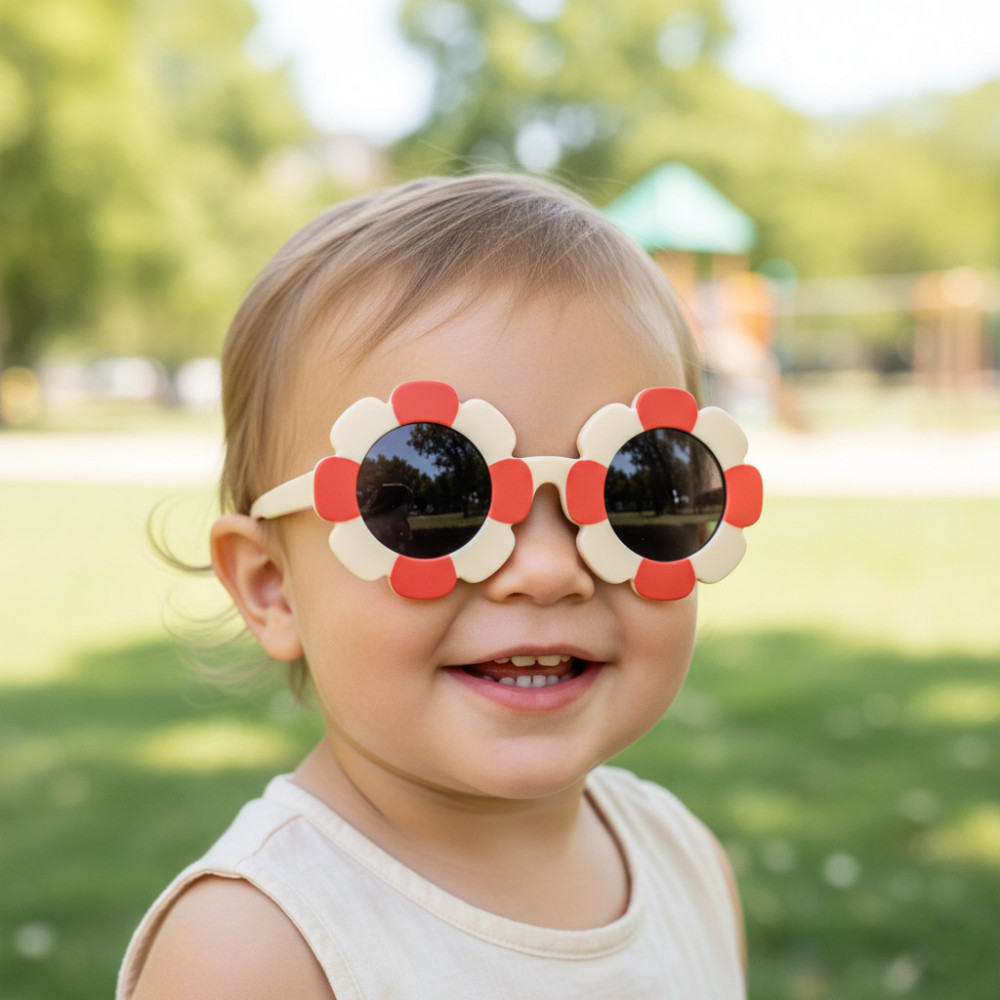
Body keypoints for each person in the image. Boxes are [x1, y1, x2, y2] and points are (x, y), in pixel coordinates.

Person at [117, 173, 762, 1000]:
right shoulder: (256, 948)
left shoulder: (686, 859)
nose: (547, 570)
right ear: (272, 587)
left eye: (638, 489)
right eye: (434, 499)